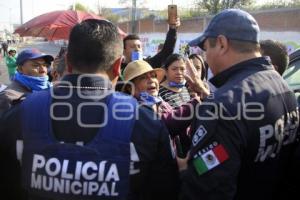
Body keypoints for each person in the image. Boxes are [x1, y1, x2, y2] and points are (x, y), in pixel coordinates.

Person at [0, 19, 178, 200]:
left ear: (67, 63)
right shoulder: (147, 123)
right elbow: (165, 191)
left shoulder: (17, 115)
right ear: (118, 67)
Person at [180, 9, 299, 200]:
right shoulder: (282, 85)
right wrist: (195, 164)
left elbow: (206, 190)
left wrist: (192, 169)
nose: (206, 58)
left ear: (221, 43)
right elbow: (224, 153)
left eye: (206, 49)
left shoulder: (222, 107)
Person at [122, 60, 202, 155]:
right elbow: (166, 123)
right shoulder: (134, 109)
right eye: (143, 78)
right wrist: (196, 102)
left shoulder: (160, 102)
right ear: (130, 88)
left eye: (153, 76)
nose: (151, 80)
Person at [0, 48, 53, 114]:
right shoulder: (9, 97)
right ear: (20, 69)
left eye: (45, 65)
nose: (43, 70)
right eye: (35, 65)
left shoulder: (50, 87)